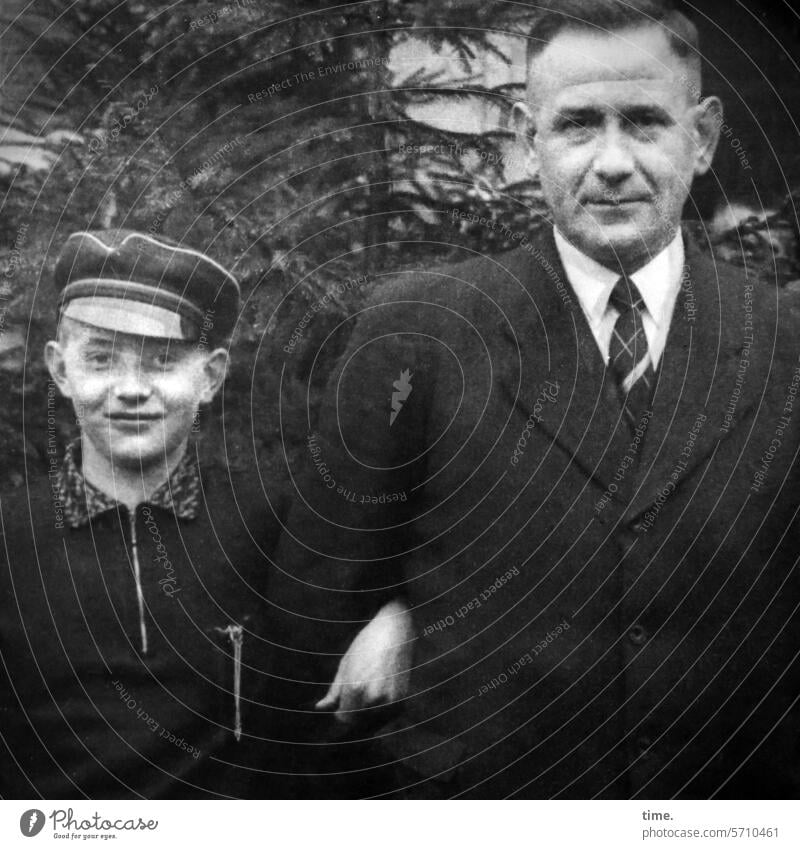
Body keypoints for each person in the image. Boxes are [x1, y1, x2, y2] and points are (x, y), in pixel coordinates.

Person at [279, 0, 800, 798]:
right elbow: (315, 606)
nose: (613, 160)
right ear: (531, 142)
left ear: (702, 137)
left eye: (645, 122)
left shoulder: (784, 342)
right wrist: (398, 609)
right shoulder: (421, 331)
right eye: (579, 125)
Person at [0, 229, 301, 798]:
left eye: (163, 362)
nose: (131, 390)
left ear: (210, 377)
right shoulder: (9, 538)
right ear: (61, 371)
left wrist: (393, 614)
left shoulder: (270, 525)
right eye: (101, 359)